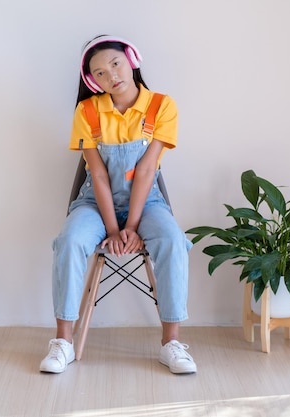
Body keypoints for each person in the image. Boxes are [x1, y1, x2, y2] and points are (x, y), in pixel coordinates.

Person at [40, 35, 196, 374]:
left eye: (115, 64)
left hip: (148, 201)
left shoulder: (161, 106)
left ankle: (171, 344)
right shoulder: (87, 111)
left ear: (131, 59)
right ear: (91, 81)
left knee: (172, 240)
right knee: (69, 241)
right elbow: (96, 175)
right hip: (95, 204)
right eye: (99, 73)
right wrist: (113, 230)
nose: (111, 76)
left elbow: (145, 170)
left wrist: (131, 227)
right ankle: (63, 343)